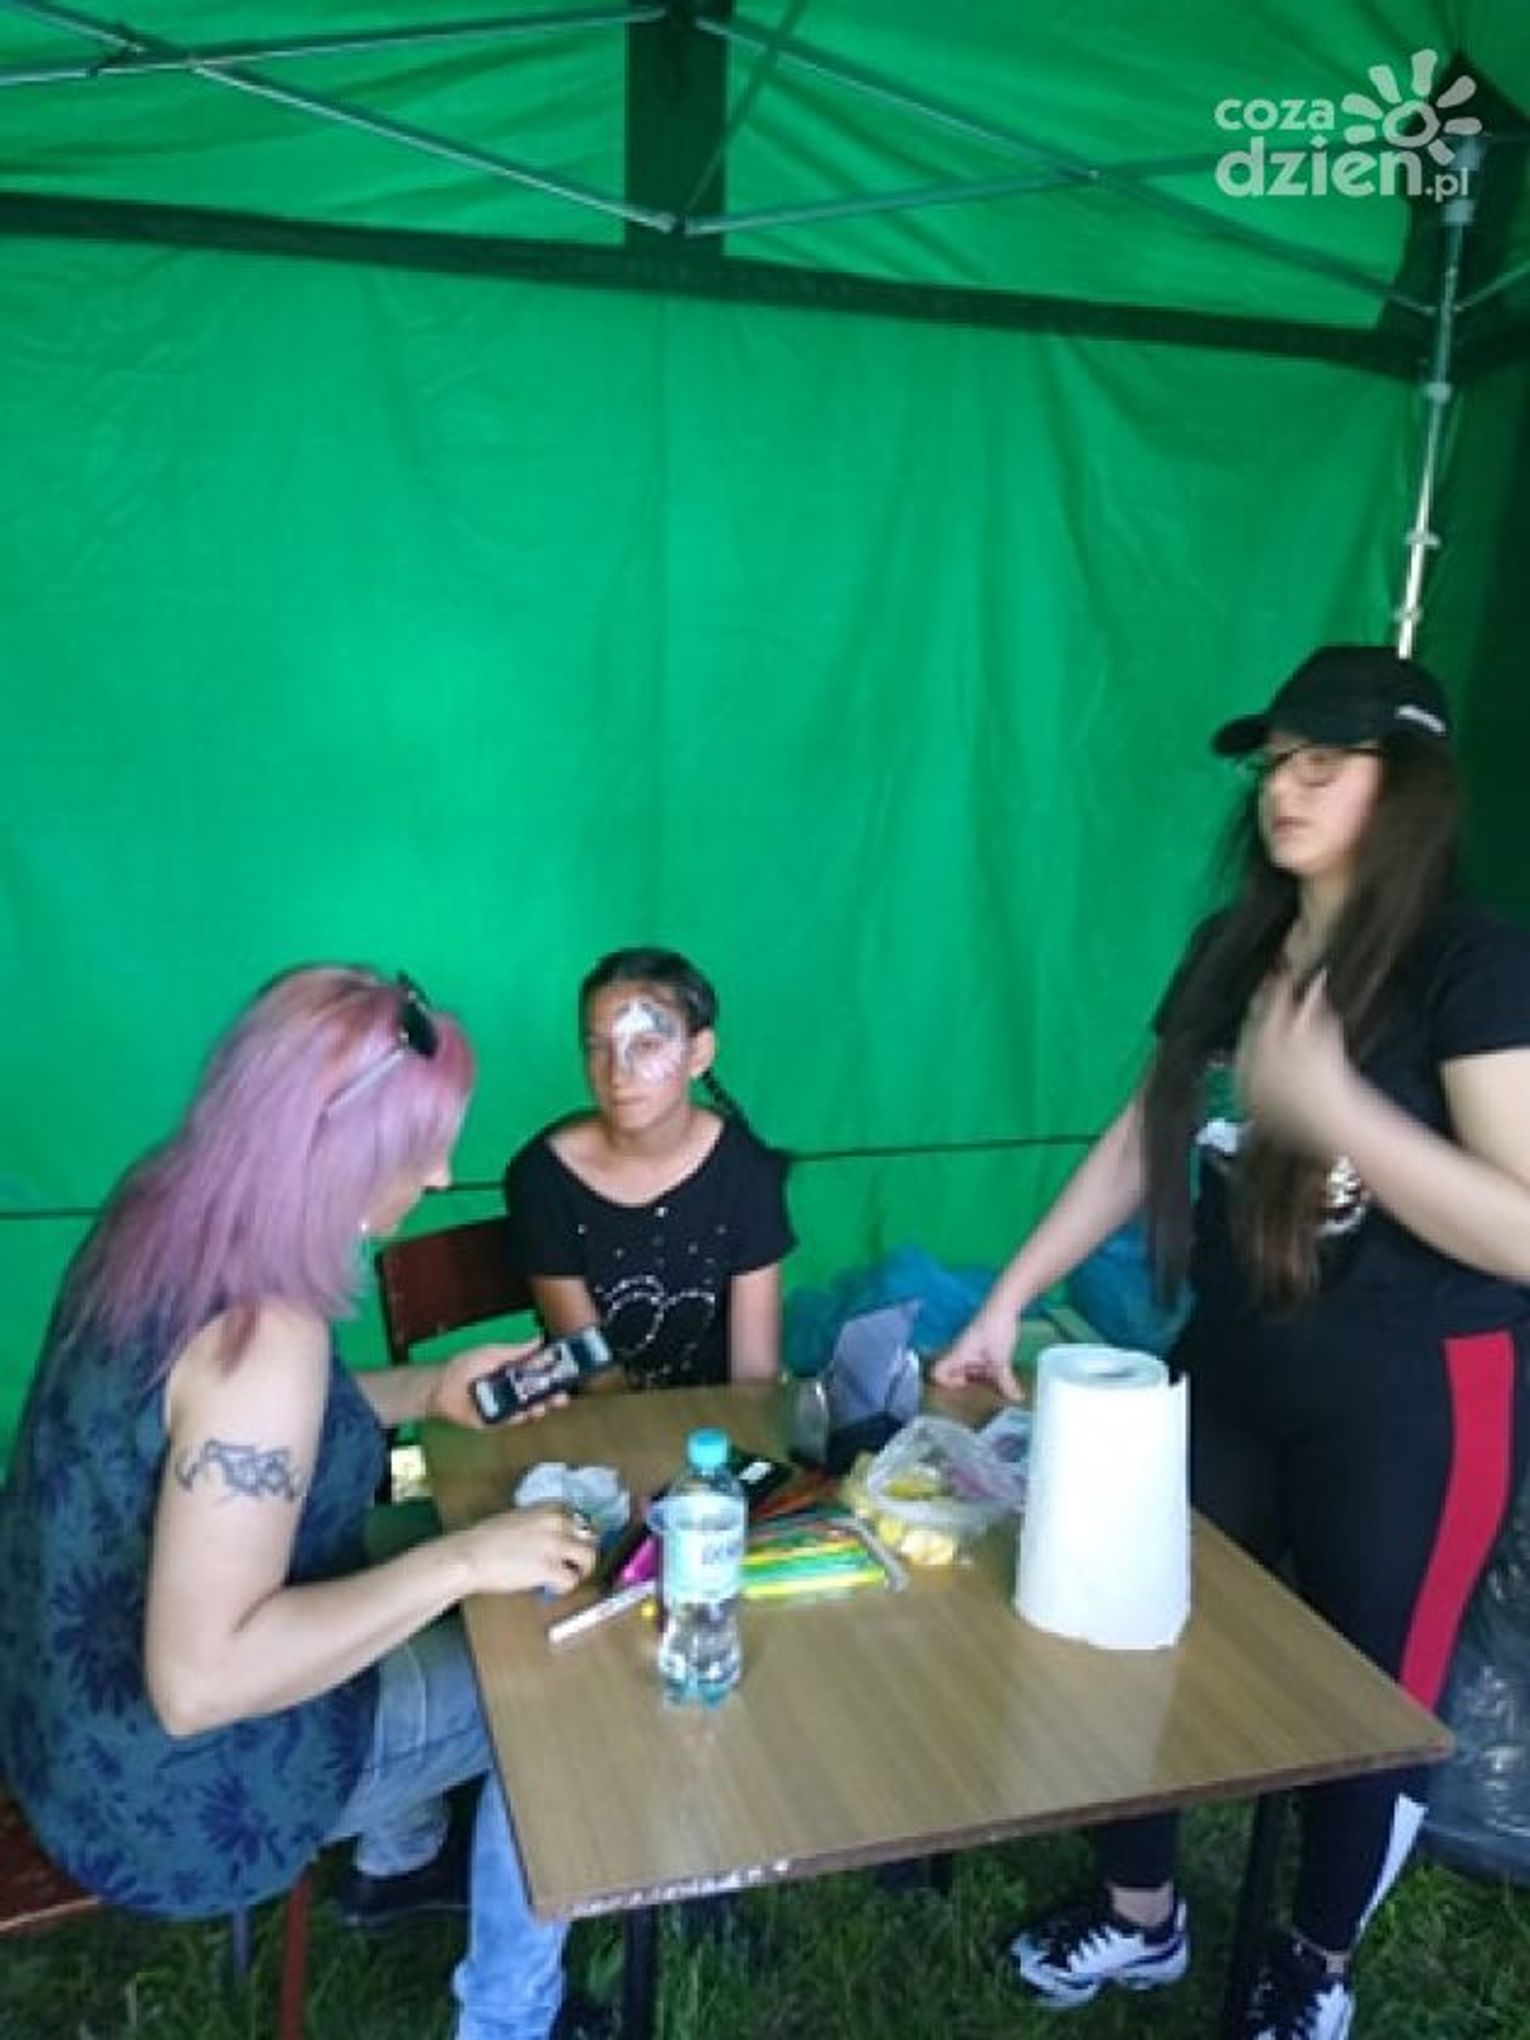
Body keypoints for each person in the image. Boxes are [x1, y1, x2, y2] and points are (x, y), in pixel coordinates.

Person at [935, 646, 1530, 2040]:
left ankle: (1313, 1966)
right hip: (1234, 1365)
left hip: (1415, 1394)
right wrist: (1008, 1294)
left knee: (1371, 1691)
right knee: (1129, 1618)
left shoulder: (1472, 962)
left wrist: (1333, 1106)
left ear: (1408, 786)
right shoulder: (1234, 946)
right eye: (1273, 764)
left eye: (1324, 762)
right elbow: (1141, 1137)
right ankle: (1141, 1914)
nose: (1284, 789)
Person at [0, 966, 600, 2040]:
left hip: (54, 1716)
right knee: (553, 1667)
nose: (443, 1172)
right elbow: (201, 1683)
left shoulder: (163, 1204)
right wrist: (466, 1561)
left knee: (443, 1566)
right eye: (421, 1148)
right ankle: (512, 2019)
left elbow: (223, 1438)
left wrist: (428, 1389)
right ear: (343, 1153)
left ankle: (397, 1857)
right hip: (168, 1794)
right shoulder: (263, 1336)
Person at [504, 947, 794, 1390]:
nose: (617, 1075)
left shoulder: (746, 1171)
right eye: (597, 1048)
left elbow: (755, 1375)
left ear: (699, 1053)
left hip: (718, 1422)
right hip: (594, 1422)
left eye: (646, 1046)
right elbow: (596, 1379)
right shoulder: (544, 1178)